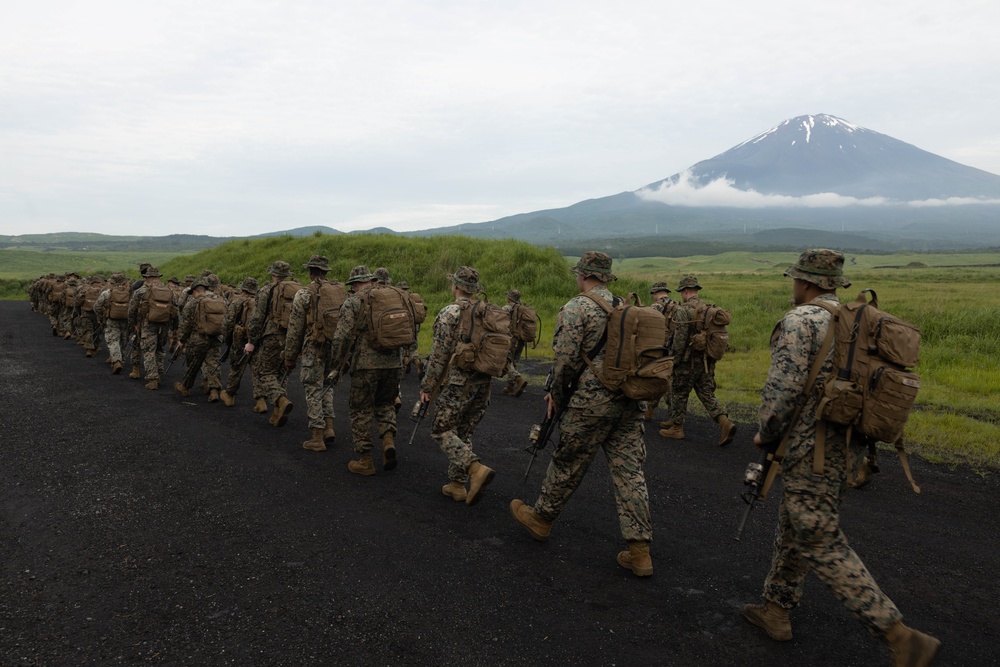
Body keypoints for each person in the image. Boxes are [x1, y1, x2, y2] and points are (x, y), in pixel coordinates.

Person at [742, 249, 940, 665]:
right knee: (798, 522)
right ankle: (776, 610)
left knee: (817, 534)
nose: (792, 285)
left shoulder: (800, 321)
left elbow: (784, 391)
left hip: (806, 446)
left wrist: (765, 432)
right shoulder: (856, 323)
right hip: (847, 443)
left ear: (806, 283)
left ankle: (899, 635)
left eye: (794, 279)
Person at [509, 252, 653, 576]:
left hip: (592, 403)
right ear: (606, 277)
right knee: (630, 472)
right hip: (629, 401)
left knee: (568, 462)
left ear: (583, 276)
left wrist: (556, 398)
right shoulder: (624, 307)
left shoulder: (576, 308)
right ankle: (640, 551)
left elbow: (564, 362)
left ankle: (542, 519)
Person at [419, 266, 495, 505]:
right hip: (484, 383)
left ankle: (475, 469)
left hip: (457, 383)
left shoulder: (450, 313)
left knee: (441, 430)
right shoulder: (488, 311)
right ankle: (457, 485)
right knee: (463, 432)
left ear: (457, 287)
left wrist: (427, 387)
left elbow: (439, 355)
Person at [328, 266, 403, 475]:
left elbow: (341, 337)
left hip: (366, 365)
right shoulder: (392, 297)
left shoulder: (353, 302)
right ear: (371, 280)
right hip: (393, 363)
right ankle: (388, 441)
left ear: (354, 284)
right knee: (386, 404)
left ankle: (365, 460)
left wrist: (337, 366)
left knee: (360, 410)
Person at [659, 275, 736, 447]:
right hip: (706, 362)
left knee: (679, 391)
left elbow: (679, 341)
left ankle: (677, 428)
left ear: (686, 291)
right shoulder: (707, 308)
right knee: (706, 393)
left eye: (681, 292)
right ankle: (725, 423)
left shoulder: (683, 310)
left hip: (688, 362)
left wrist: (674, 361)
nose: (681, 295)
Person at [283, 255, 341, 452]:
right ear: (325, 272)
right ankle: (329, 427)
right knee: (327, 386)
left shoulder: (304, 294)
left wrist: (290, 356)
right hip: (333, 347)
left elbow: (295, 329)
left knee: (312, 388)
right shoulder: (339, 292)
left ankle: (317, 436)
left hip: (313, 347)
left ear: (311, 272)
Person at [244, 261, 298, 427]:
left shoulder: (266, 290)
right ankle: (277, 413)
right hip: (291, 337)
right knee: (281, 373)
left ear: (273, 274)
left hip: (272, 336)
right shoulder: (298, 291)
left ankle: (281, 401)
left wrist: (251, 341)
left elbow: (257, 319)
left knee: (264, 372)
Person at [173, 277, 224, 402]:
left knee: (193, 365)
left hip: (198, 339)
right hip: (216, 337)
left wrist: (181, 340)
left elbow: (186, 325)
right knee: (213, 364)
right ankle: (214, 390)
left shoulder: (192, 303)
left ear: (195, 291)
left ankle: (185, 387)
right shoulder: (218, 300)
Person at [127, 266, 176, 390]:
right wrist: (174, 327)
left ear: (147, 277)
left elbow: (131, 310)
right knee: (159, 349)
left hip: (147, 324)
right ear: (158, 277)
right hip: (164, 325)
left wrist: (134, 324)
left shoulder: (141, 291)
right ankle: (159, 371)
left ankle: (153, 378)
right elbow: (175, 310)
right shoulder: (169, 290)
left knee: (149, 351)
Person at [219, 277, 261, 409]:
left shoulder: (237, 302)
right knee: (256, 370)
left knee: (236, 367)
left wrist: (227, 339)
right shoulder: (260, 302)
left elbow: (227, 323)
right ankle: (260, 400)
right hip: (256, 340)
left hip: (239, 339)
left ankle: (230, 395)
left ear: (243, 289)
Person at [645, 281, 676, 420]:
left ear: (656, 293)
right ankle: (670, 415)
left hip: (660, 349)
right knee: (670, 380)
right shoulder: (677, 305)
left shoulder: (655, 306)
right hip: (674, 348)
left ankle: (651, 411)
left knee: (657, 379)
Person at [95, 273, 131, 375]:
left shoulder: (107, 293)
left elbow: (96, 307)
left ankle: (116, 360)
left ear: (112, 282)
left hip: (111, 320)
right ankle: (122, 361)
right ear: (124, 283)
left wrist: (103, 316)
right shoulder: (130, 293)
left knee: (113, 340)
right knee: (123, 340)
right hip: (125, 321)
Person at [501, 289, 529, 397]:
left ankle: (518, 379)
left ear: (509, 298)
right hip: (521, 339)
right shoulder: (523, 308)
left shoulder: (507, 308)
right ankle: (511, 386)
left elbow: (498, 319)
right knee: (514, 361)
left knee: (506, 360)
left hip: (511, 338)